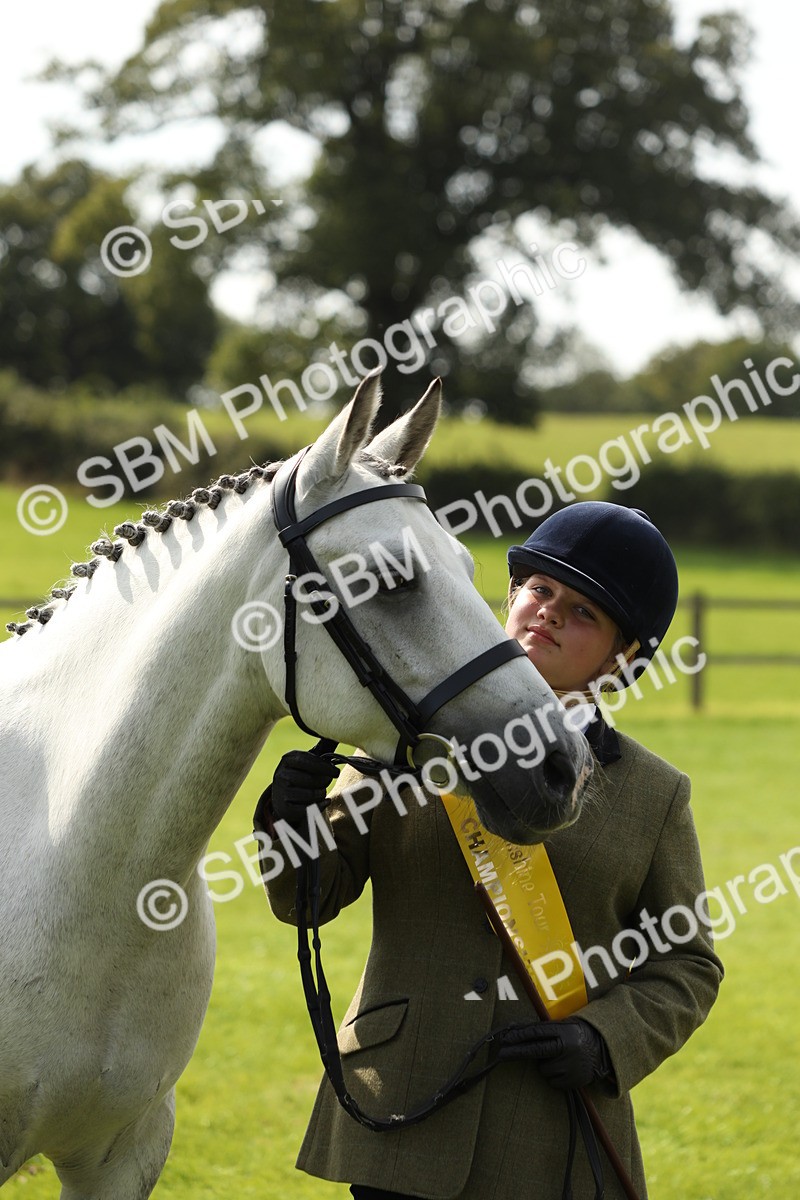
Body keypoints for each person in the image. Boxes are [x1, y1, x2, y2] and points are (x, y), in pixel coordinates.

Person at [259, 501, 723, 1200]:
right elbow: (310, 898)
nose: (547, 613)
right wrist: (288, 821)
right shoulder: (400, 742)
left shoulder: (656, 795)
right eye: (540, 590)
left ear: (625, 658)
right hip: (404, 1101)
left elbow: (686, 964)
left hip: (549, 1127)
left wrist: (602, 1041)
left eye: (584, 611)